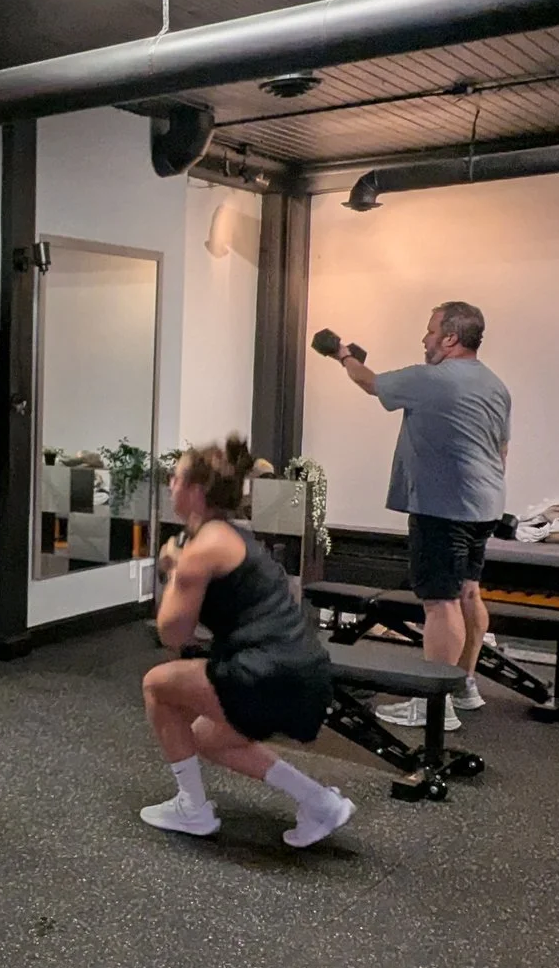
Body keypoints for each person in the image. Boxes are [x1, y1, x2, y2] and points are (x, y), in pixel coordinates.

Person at [139, 438, 352, 848]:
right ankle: (320, 802)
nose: (170, 483)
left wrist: (173, 571)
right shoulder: (228, 535)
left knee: (157, 685)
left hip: (271, 675)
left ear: (196, 491)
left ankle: (192, 809)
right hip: (302, 670)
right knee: (207, 737)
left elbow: (172, 635)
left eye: (177, 477)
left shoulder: (201, 550)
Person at [333, 301, 512, 729]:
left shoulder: (432, 379)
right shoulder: (495, 385)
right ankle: (464, 685)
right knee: (469, 593)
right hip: (484, 504)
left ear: (450, 338)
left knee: (440, 603)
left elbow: (369, 382)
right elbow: (502, 450)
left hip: (443, 508)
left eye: (430, 331)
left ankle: (434, 703)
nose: (424, 338)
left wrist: (342, 354)